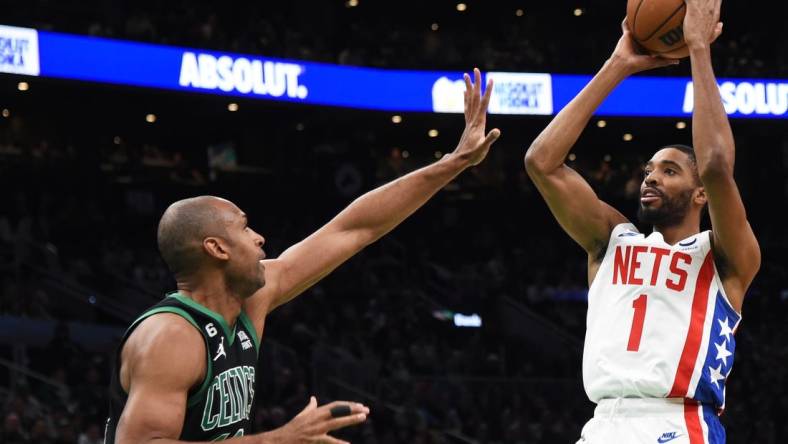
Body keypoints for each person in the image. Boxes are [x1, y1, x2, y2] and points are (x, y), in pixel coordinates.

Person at [105, 69, 501, 444]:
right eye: (244, 227)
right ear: (217, 248)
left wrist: (454, 162)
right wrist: (279, 439)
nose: (260, 238)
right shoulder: (171, 337)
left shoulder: (250, 300)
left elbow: (354, 228)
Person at [524, 1, 760, 442]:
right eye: (649, 169)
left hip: (676, 422)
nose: (651, 176)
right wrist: (618, 65)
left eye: (669, 170)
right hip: (600, 423)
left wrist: (698, 49)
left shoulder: (725, 255)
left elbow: (713, 163)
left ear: (700, 194)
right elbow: (542, 162)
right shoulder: (611, 239)